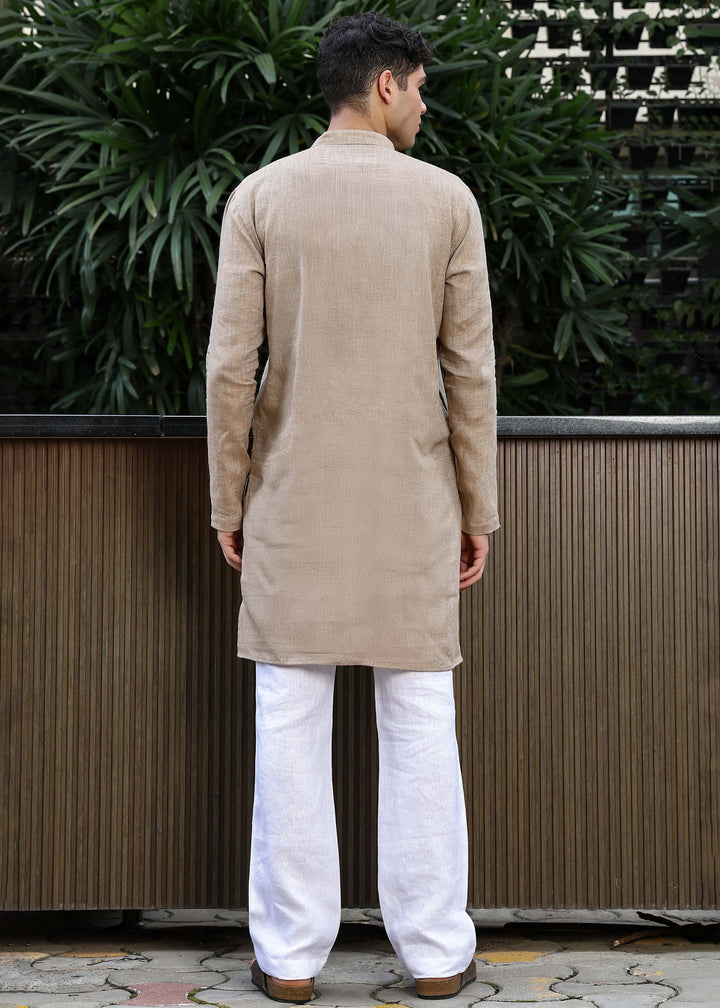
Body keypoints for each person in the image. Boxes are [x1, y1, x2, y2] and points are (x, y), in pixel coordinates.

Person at [206, 10, 499, 1004]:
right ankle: (435, 953)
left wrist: (226, 498)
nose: (424, 103)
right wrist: (478, 507)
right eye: (420, 86)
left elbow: (228, 372)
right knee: (419, 721)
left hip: (289, 497)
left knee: (289, 723)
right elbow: (469, 372)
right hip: (414, 500)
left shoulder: (261, 197)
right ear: (386, 84)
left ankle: (290, 961)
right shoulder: (446, 202)